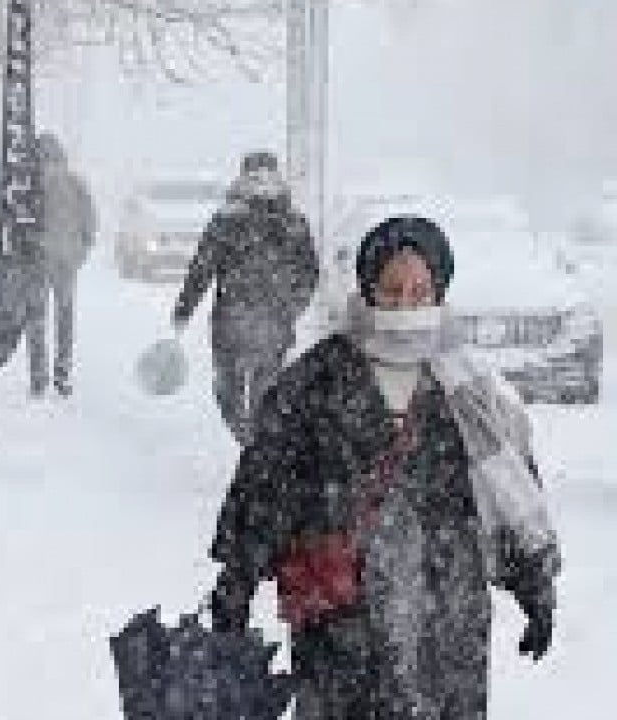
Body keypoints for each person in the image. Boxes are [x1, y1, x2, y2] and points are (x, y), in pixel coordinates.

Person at [207, 216, 562, 718]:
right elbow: (265, 483)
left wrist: (535, 585)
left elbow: (509, 494)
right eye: (392, 291)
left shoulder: (472, 389)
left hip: (448, 614)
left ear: (440, 291)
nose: (405, 304)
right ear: (368, 291)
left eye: (420, 291)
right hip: (341, 620)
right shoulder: (318, 378)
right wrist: (236, 581)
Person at [171, 151, 318, 445]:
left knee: (230, 391)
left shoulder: (231, 220)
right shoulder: (291, 221)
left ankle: (250, 440)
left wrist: (184, 309)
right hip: (265, 320)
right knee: (262, 390)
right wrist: (292, 307)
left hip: (236, 320)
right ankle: (256, 442)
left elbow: (202, 268)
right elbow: (309, 274)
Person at [26, 132, 97, 398]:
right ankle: (62, 373)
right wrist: (80, 253)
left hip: (39, 259)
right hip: (67, 260)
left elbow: (23, 224)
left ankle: (38, 378)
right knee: (64, 317)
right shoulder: (76, 183)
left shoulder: (31, 185)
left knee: (36, 318)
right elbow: (90, 223)